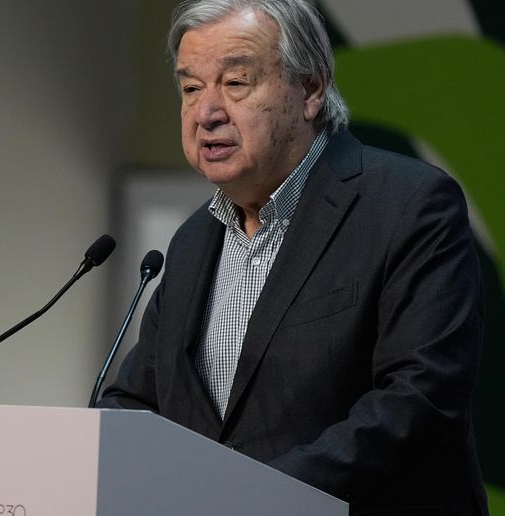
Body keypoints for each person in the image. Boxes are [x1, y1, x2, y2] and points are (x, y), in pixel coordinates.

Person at [97, 0, 488, 514]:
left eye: (236, 83)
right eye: (191, 88)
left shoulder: (409, 205)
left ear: (310, 89)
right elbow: (137, 402)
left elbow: (418, 402)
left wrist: (255, 498)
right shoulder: (193, 241)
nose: (207, 112)